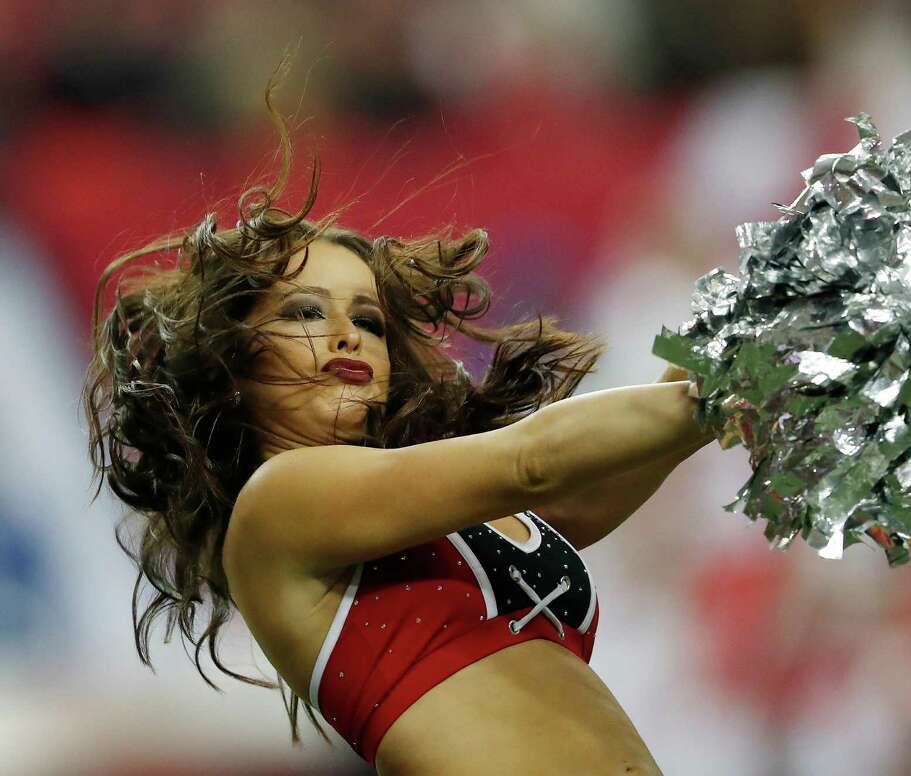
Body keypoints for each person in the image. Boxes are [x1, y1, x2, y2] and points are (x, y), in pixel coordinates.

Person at [82, 68, 714, 775]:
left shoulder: (445, 522)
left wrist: (738, 344)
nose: (349, 335)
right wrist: (725, 390)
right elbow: (535, 459)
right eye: (304, 312)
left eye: (369, 319)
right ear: (234, 363)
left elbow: (582, 495)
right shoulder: (280, 503)